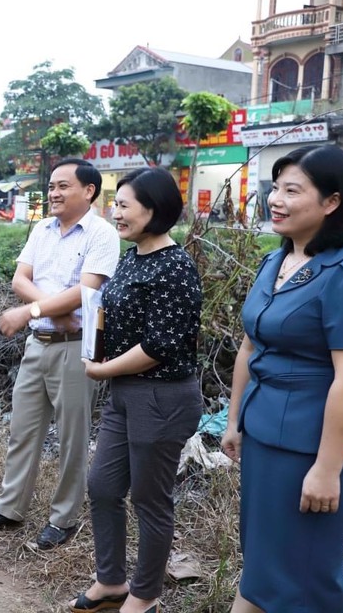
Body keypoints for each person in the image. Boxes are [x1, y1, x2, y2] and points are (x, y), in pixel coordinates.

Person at [221, 145, 343, 613]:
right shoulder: (275, 263)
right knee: (264, 569)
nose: (276, 199)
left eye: (292, 190)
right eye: (276, 187)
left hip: (312, 448)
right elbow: (250, 345)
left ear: (332, 202)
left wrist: (327, 468)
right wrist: (235, 420)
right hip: (264, 436)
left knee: (306, 582)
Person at [0, 158, 119, 550]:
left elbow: (89, 290)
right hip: (40, 343)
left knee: (72, 436)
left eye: (63, 186)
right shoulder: (41, 229)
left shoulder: (102, 234)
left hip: (76, 348)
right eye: (51, 186)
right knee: (23, 430)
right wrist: (56, 309)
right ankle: (9, 507)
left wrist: (31, 310)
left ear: (89, 191)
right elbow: (20, 278)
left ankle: (64, 518)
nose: (53, 193)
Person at [69, 167, 202, 613]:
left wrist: (102, 370)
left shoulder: (175, 267)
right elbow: (113, 313)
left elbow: (160, 346)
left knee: (150, 499)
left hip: (161, 396)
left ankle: (145, 595)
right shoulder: (133, 258)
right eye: (116, 203)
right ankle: (110, 580)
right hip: (125, 393)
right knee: (103, 485)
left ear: (155, 210)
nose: (116, 213)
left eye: (125, 205)